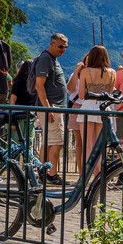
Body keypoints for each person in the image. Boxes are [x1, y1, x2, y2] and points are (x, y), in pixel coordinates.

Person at [71, 46, 118, 169]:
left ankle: (85, 179)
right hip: (104, 109)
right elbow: (111, 93)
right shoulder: (113, 72)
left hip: (88, 107)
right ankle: (99, 178)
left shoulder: (86, 71)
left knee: (88, 146)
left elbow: (81, 95)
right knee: (101, 147)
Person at [33, 34, 71, 177]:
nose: (63, 50)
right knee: (57, 141)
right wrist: (48, 107)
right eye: (60, 46)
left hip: (53, 106)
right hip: (51, 106)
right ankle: (52, 174)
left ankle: (44, 172)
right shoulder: (45, 59)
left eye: (65, 47)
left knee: (49, 142)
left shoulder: (51, 59)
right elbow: (39, 85)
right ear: (52, 44)